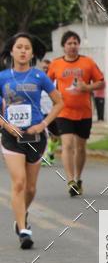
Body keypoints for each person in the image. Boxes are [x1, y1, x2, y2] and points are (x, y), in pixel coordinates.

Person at [0, 33, 63, 248]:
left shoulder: (39, 77)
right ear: (11, 51)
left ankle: (21, 215)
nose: (23, 51)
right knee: (18, 183)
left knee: (31, 188)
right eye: (19, 47)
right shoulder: (3, 77)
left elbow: (59, 102)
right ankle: (23, 229)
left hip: (35, 136)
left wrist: (43, 124)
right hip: (11, 136)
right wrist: (6, 124)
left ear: (32, 53)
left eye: (27, 47)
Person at [47, 31, 104, 196]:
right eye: (69, 43)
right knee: (67, 144)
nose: (72, 46)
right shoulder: (56, 64)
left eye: (75, 43)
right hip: (64, 111)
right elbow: (46, 83)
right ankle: (70, 180)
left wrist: (87, 88)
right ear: (63, 46)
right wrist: (55, 97)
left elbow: (100, 82)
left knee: (80, 147)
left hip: (84, 112)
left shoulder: (88, 62)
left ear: (78, 45)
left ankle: (78, 178)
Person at [39, 57, 57, 166]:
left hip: (53, 112)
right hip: (41, 112)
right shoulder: (39, 79)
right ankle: (45, 156)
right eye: (43, 67)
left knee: (55, 136)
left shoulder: (55, 81)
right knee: (44, 135)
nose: (45, 69)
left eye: (47, 67)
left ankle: (50, 152)